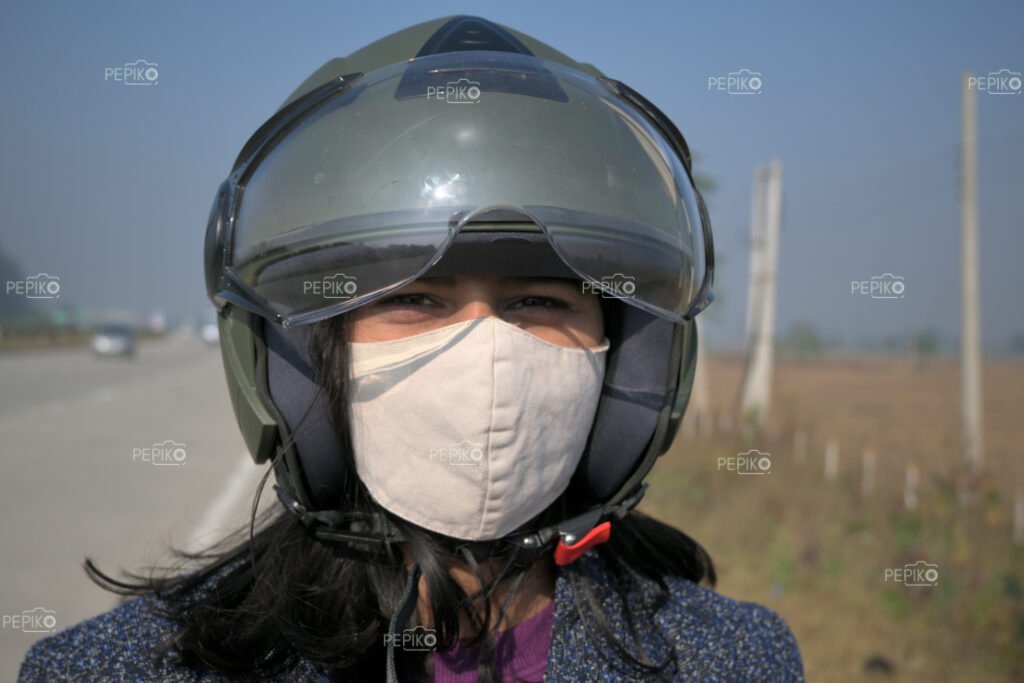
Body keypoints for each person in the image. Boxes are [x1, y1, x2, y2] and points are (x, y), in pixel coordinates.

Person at [19, 15, 803, 682]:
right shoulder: (123, 665)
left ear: (627, 356)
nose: (486, 352)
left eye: (538, 300)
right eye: (413, 298)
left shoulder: (734, 659)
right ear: (306, 359)